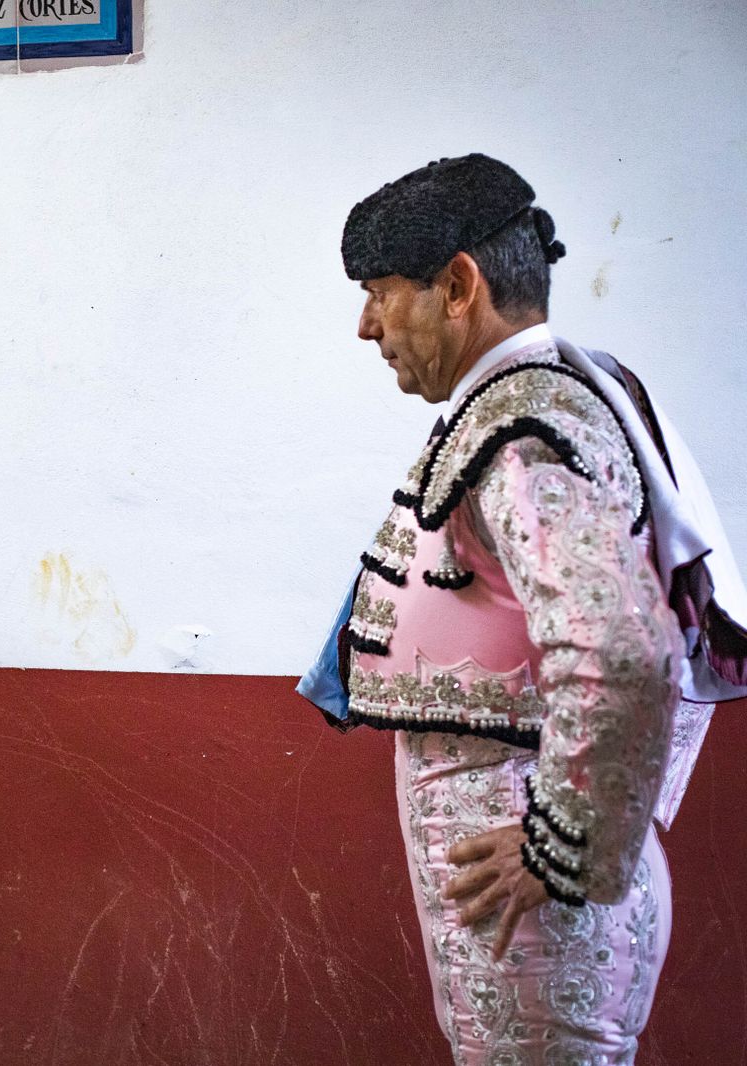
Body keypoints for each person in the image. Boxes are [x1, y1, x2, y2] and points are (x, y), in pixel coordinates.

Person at [297, 154, 747, 1064]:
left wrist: (560, 850)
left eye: (382, 291)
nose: (365, 325)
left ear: (457, 284)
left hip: (535, 908)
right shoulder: (537, 405)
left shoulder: (525, 429)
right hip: (526, 904)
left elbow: (623, 651)